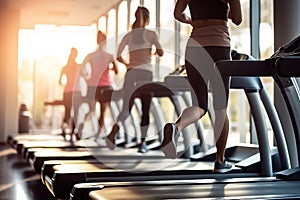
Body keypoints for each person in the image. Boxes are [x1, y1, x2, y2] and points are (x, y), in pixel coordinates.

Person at [161, 0, 242, 173]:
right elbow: (237, 19)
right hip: (219, 47)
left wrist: (192, 20)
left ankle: (177, 128)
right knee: (220, 108)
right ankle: (220, 161)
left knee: (199, 105)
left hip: (194, 47)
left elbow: (178, 14)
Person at [106, 6, 164, 153]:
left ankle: (115, 130)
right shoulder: (151, 34)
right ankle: (142, 143)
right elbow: (162, 52)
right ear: (148, 19)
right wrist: (154, 52)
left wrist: (127, 64)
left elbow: (118, 56)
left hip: (131, 73)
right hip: (145, 74)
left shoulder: (129, 36)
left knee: (127, 107)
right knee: (145, 109)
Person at [78, 31, 118, 139]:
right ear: (105, 42)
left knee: (91, 110)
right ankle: (98, 134)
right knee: (103, 112)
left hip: (93, 86)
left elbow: (81, 69)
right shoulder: (109, 56)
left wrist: (86, 77)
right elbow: (117, 71)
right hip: (105, 86)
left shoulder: (90, 56)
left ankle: (81, 125)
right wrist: (110, 67)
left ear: (97, 41)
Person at [58, 47, 81, 139]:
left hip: (67, 92)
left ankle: (64, 127)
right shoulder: (79, 66)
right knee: (76, 112)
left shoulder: (65, 67)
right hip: (77, 91)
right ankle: (73, 132)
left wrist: (66, 84)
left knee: (67, 112)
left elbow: (59, 82)